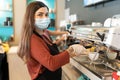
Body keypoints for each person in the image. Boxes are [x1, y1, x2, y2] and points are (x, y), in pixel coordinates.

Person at [17, 1, 87, 80]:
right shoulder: (33, 40)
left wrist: (66, 34)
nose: (45, 18)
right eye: (40, 14)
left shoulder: (42, 33)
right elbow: (51, 63)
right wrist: (71, 49)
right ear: (31, 17)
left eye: (46, 15)